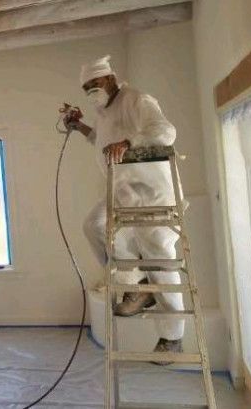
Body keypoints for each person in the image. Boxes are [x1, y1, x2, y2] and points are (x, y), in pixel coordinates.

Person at [64, 55, 184, 359]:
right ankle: (135, 284)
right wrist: (79, 127)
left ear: (110, 78)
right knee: (94, 226)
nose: (92, 92)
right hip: (122, 193)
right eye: (86, 88)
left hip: (152, 194)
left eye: (95, 84)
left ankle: (172, 338)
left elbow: (165, 131)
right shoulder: (103, 111)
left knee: (160, 260)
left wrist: (129, 143)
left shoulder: (137, 100)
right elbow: (102, 140)